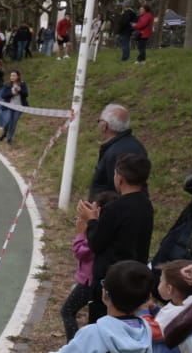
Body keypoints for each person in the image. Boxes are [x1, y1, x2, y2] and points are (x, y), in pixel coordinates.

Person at [82, 153, 154, 323]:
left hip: (111, 278)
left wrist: (91, 221)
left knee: (101, 322)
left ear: (120, 179)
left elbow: (96, 243)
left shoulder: (114, 209)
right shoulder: (146, 205)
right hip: (135, 276)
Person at [63, 191, 115, 340]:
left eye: (92, 209)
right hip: (98, 280)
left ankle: (74, 346)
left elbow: (82, 253)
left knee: (67, 311)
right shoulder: (113, 228)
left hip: (89, 282)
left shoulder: (97, 233)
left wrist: (80, 234)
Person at [88, 104, 148, 198]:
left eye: (99, 121)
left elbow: (117, 189)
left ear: (104, 125)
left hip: (114, 206)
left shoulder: (114, 152)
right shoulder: (137, 145)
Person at [0, 70, 28, 143]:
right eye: (11, 76)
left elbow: (26, 94)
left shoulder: (22, 84)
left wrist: (20, 90)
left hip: (19, 107)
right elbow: (3, 95)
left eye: (14, 75)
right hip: (9, 106)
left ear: (18, 76)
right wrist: (12, 93)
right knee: (7, 120)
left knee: (13, 123)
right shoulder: (7, 85)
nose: (12, 77)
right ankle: (4, 132)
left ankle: (9, 138)